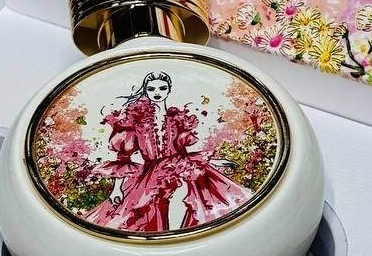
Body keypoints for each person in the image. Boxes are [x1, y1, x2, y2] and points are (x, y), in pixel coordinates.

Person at [88, 71, 251, 233]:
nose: (157, 92)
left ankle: (185, 238)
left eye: (162, 88)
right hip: (150, 177)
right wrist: (116, 189)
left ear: (169, 89)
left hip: (179, 170)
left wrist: (213, 161)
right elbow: (124, 158)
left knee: (191, 202)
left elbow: (184, 154)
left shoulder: (177, 119)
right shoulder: (136, 120)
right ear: (145, 91)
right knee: (146, 213)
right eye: (151, 89)